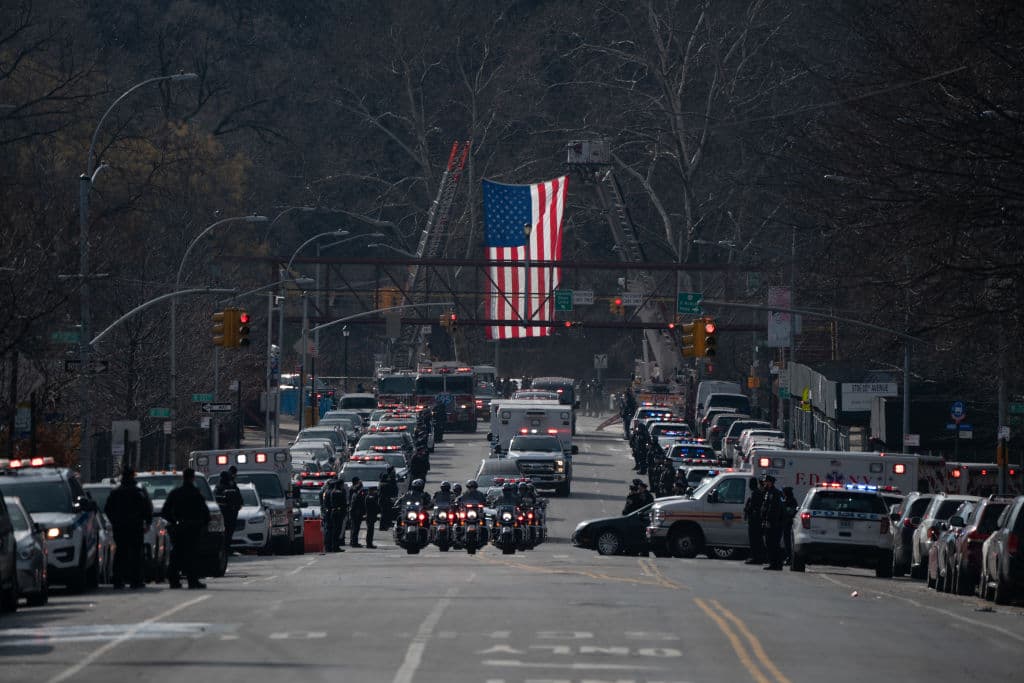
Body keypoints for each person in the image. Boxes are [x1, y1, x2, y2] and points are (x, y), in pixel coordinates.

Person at [160, 468, 210, 589]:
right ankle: (192, 580)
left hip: (180, 528)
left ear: (183, 477)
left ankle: (174, 580)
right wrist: (202, 525)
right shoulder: (196, 493)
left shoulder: (176, 493)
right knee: (192, 555)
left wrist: (174, 522)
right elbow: (205, 513)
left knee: (177, 554)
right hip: (193, 528)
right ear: (192, 478)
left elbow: (165, 511)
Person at [104, 467, 152, 589]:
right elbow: (147, 509)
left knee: (120, 553)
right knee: (136, 553)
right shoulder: (138, 492)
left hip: (120, 527)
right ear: (132, 476)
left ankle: (118, 580)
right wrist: (147, 522)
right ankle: (136, 580)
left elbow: (108, 509)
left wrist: (115, 521)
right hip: (135, 527)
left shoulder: (116, 492)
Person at [213, 470, 243, 554]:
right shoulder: (230, 486)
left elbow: (239, 500)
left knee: (226, 532)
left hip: (226, 514)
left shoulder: (219, 487)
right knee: (228, 532)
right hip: (229, 514)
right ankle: (226, 548)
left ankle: (225, 548)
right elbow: (239, 500)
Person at [760, 475, 786, 570]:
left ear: (770, 482)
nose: (764, 483)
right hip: (771, 522)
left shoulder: (775, 493)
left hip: (775, 524)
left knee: (773, 544)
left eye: (766, 482)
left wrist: (770, 521)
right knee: (770, 543)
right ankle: (774, 563)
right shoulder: (769, 492)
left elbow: (774, 510)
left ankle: (776, 564)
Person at [743, 478, 765, 565]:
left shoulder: (756, 493)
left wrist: (748, 509)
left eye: (750, 484)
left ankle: (756, 558)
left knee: (755, 540)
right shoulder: (757, 492)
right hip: (755, 520)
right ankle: (757, 557)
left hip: (755, 521)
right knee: (757, 540)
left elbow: (753, 507)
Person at [322, 478, 347, 553]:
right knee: (335, 530)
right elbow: (342, 503)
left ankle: (329, 546)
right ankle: (334, 546)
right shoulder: (335, 492)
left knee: (330, 530)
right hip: (335, 513)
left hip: (329, 512)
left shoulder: (326, 492)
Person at [781, 486, 799, 565]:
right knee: (786, 541)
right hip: (786, 523)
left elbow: (790, 512)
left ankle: (789, 557)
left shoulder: (791, 501)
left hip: (789, 524)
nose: (783, 494)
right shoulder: (789, 500)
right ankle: (788, 557)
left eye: (784, 492)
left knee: (788, 542)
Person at [377, 466, 400, 531]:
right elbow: (389, 490)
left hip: (385, 500)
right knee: (384, 513)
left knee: (386, 512)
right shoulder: (385, 484)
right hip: (385, 500)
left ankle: (386, 524)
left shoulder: (382, 483)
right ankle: (382, 526)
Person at [348, 478, 366, 548]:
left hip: (355, 513)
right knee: (355, 528)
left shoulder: (355, 494)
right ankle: (354, 542)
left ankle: (353, 542)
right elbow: (357, 505)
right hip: (356, 514)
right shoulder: (356, 495)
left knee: (354, 528)